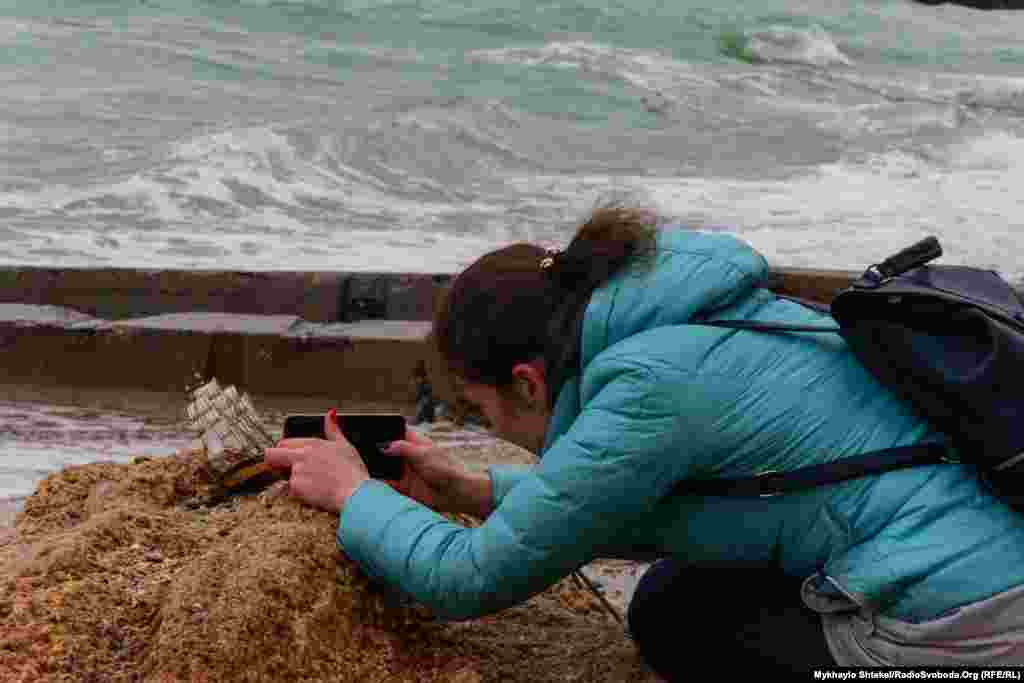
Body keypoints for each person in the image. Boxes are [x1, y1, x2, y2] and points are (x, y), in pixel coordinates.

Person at [264, 206, 1024, 677]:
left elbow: (470, 580)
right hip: (979, 536)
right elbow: (671, 502)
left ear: (529, 383)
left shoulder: (647, 392)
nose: (484, 427)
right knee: (672, 598)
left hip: (965, 622)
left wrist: (352, 493)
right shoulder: (695, 317)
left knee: (683, 629)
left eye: (479, 408)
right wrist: (475, 490)